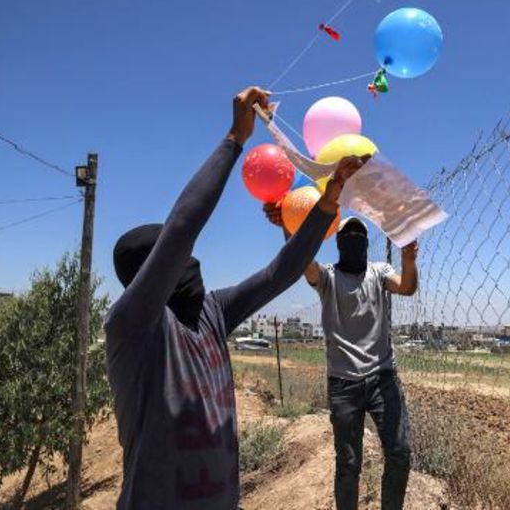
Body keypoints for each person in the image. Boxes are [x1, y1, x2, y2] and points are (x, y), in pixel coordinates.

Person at [104, 86, 367, 510]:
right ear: (152, 275)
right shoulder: (131, 326)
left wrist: (325, 207)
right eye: (176, 257)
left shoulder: (212, 311)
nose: (191, 261)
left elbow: (276, 275)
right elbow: (181, 229)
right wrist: (235, 139)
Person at [264, 205, 419, 510]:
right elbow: (301, 260)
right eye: (348, 234)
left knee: (400, 452)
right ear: (338, 243)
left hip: (383, 379)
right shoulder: (327, 277)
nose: (355, 238)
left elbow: (407, 287)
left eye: (360, 234)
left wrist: (409, 260)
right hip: (343, 386)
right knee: (348, 465)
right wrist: (288, 225)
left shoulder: (379, 271)